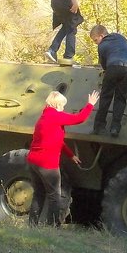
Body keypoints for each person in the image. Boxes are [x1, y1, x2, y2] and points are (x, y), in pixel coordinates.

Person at [27, 89, 98, 227]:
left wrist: (71, 155)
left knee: (39, 194)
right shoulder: (55, 116)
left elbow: (57, 140)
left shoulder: (43, 118)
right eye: (63, 105)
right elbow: (79, 118)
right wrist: (90, 104)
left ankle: (32, 225)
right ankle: (52, 226)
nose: (63, 108)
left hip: (33, 161)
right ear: (57, 105)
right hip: (47, 164)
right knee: (54, 196)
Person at [90, 25, 127, 138]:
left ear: (101, 35)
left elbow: (104, 64)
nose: (96, 43)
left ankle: (99, 126)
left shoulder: (102, 45)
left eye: (96, 40)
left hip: (113, 67)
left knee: (106, 97)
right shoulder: (121, 38)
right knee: (121, 98)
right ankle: (115, 127)